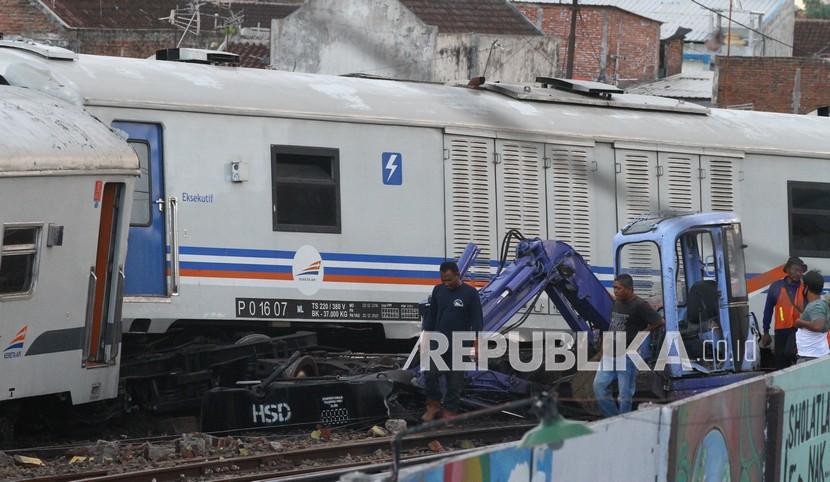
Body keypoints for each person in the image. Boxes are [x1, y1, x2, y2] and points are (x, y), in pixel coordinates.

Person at [593, 274, 664, 417]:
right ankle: (613, 419)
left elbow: (659, 321)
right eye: (614, 288)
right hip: (610, 353)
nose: (615, 291)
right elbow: (611, 326)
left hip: (627, 356)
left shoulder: (640, 305)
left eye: (618, 288)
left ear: (629, 289)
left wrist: (642, 334)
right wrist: (602, 349)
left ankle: (623, 421)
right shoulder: (616, 302)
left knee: (625, 394)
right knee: (599, 387)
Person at [420, 261, 483, 421]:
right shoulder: (438, 290)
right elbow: (431, 316)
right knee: (430, 373)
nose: (446, 283)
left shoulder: (470, 293)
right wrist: (425, 338)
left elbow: (477, 320)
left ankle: (449, 412)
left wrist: (476, 344)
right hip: (439, 340)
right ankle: (433, 404)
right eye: (443, 280)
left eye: (449, 280)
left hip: (460, 342)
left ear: (457, 275)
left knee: (455, 382)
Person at [762, 257, 807, 369]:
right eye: (795, 270)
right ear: (788, 270)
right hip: (781, 331)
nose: (798, 273)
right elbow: (768, 309)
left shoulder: (805, 287)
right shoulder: (776, 286)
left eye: (800, 270)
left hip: (799, 331)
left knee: (797, 362)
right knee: (781, 363)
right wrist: (766, 331)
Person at [794, 270, 829, 363]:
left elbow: (817, 326)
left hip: (811, 359)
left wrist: (799, 322)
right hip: (814, 356)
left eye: (802, 285)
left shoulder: (816, 305)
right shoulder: (818, 304)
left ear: (806, 288)